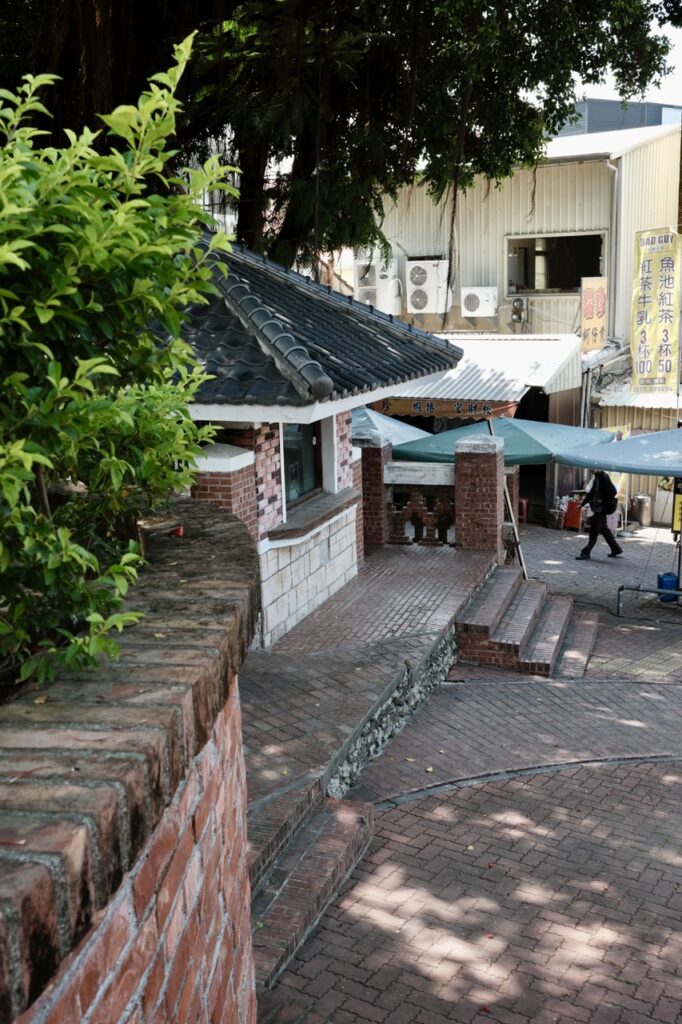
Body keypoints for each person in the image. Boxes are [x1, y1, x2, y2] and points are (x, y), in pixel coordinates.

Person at [575, 469, 623, 560]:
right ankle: (616, 549)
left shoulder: (604, 477)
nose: (591, 470)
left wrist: (603, 501)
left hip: (601, 510)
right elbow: (592, 493)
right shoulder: (597, 478)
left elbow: (613, 491)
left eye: (593, 468)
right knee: (605, 530)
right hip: (599, 509)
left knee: (594, 531)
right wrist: (582, 504)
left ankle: (586, 553)